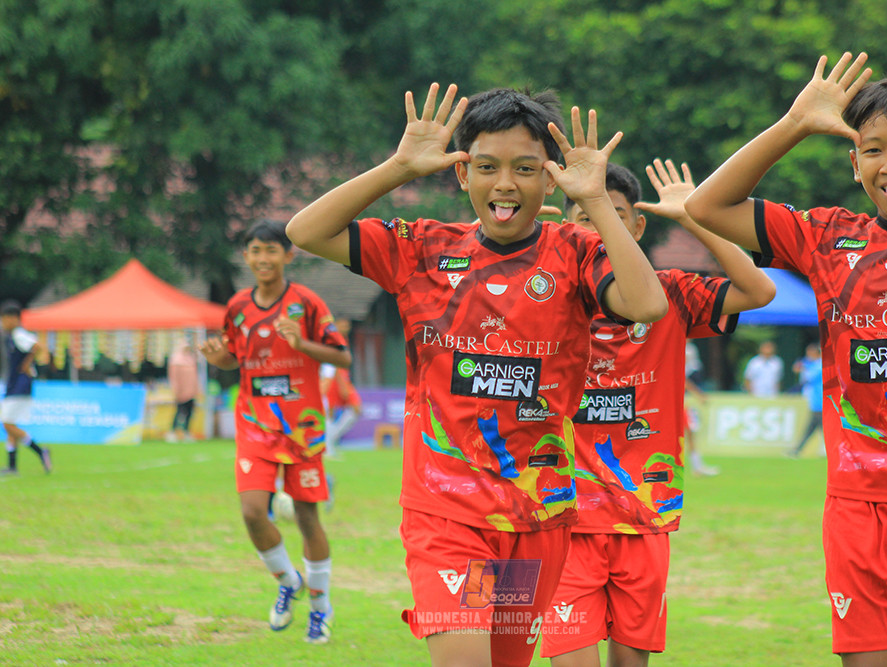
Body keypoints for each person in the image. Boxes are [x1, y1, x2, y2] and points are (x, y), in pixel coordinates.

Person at [285, 83, 667, 667]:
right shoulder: (423, 250)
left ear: (550, 179)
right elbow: (305, 232)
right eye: (487, 167)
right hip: (448, 515)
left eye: (525, 168)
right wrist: (397, 167)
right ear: (463, 173)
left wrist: (593, 199)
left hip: (537, 518)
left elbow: (647, 304)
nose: (505, 183)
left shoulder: (575, 252)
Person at [685, 51, 887, 666]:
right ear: (855, 165)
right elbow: (707, 207)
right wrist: (794, 123)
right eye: (872, 149)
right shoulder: (827, 238)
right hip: (862, 502)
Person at [540, 160, 774, 666]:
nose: (599, 227)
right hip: (563, 520)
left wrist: (693, 218)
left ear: (638, 226)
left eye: (614, 214)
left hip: (645, 517)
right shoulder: (546, 299)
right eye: (584, 216)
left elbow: (758, 291)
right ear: (565, 227)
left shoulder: (672, 295)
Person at [199, 220, 352, 645]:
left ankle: (320, 608)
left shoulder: (307, 303)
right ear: (245, 257)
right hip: (254, 424)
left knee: (306, 517)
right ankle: (288, 580)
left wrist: (302, 345)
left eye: (271, 250)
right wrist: (217, 357)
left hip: (303, 430)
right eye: (255, 250)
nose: (263, 259)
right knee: (252, 512)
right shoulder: (237, 307)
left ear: (288, 255)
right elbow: (234, 358)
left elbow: (342, 358)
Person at [0, 300, 51, 475]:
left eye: (4, 318)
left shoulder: (19, 334)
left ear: (13, 318)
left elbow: (37, 346)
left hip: (20, 385)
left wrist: (27, 364)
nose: (3, 322)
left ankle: (40, 451)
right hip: (14, 384)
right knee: (10, 424)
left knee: (7, 424)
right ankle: (12, 466)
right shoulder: (11, 335)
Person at [319, 318, 362, 456]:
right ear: (336, 325)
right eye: (342, 324)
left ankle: (330, 441)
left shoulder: (344, 340)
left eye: (347, 325)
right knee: (330, 413)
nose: (346, 327)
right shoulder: (333, 341)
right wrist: (342, 384)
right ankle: (328, 446)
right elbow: (334, 364)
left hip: (342, 379)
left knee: (355, 409)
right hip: (335, 381)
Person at [683, 342, 719, 476]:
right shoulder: (675, 354)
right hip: (675, 403)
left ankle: (697, 466)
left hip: (678, 401)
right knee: (689, 432)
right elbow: (683, 380)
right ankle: (697, 467)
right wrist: (699, 395)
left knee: (690, 433)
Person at [789, 342, 823, 457]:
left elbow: (808, 377)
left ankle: (797, 450)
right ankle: (798, 449)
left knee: (815, 428)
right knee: (814, 428)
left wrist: (803, 368)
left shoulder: (819, 365)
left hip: (820, 402)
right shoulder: (813, 364)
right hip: (816, 402)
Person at [166, 340, 198, 442]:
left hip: (191, 391)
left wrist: (196, 389)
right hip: (181, 391)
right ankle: (173, 431)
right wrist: (176, 390)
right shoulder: (176, 361)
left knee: (190, 412)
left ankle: (186, 431)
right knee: (179, 412)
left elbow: (195, 377)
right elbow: (173, 378)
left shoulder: (191, 360)